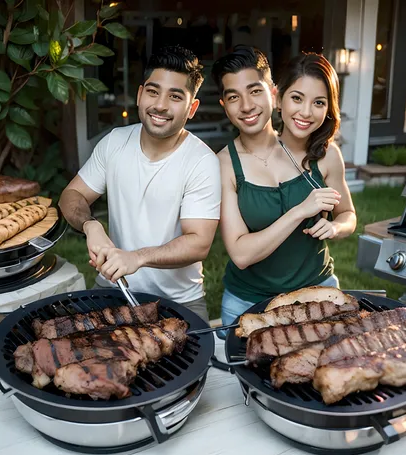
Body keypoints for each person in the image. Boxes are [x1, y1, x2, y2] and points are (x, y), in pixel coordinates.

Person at [59, 46, 221, 322]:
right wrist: (91, 225)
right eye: (153, 91)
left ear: (191, 108)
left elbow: (199, 243)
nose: (160, 105)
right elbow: (71, 195)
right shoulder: (114, 142)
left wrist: (137, 257)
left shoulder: (201, 161)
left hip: (180, 302)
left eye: (175, 96)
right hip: (114, 289)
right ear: (139, 94)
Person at [211, 48, 356, 334]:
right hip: (248, 306)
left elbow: (348, 214)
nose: (246, 106)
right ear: (224, 105)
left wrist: (336, 228)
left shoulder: (324, 155)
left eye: (254, 91)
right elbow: (240, 254)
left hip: (318, 296)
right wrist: (300, 211)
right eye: (233, 97)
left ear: (273, 95)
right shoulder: (224, 164)